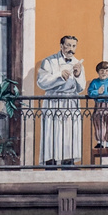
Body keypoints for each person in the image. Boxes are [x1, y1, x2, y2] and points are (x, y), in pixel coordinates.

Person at [37, 36, 85, 167]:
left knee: (69, 135)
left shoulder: (77, 63)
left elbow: (81, 87)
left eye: (74, 46)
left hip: (70, 102)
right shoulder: (49, 61)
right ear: (61, 46)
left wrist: (78, 75)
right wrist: (59, 76)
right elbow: (41, 82)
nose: (71, 49)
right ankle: (50, 164)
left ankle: (68, 164)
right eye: (68, 45)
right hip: (53, 102)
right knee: (52, 134)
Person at [86, 61, 108, 149]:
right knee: (99, 124)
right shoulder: (95, 82)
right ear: (98, 72)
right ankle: (100, 142)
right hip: (99, 105)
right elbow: (90, 92)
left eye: (106, 71)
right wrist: (97, 92)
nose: (104, 73)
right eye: (102, 71)